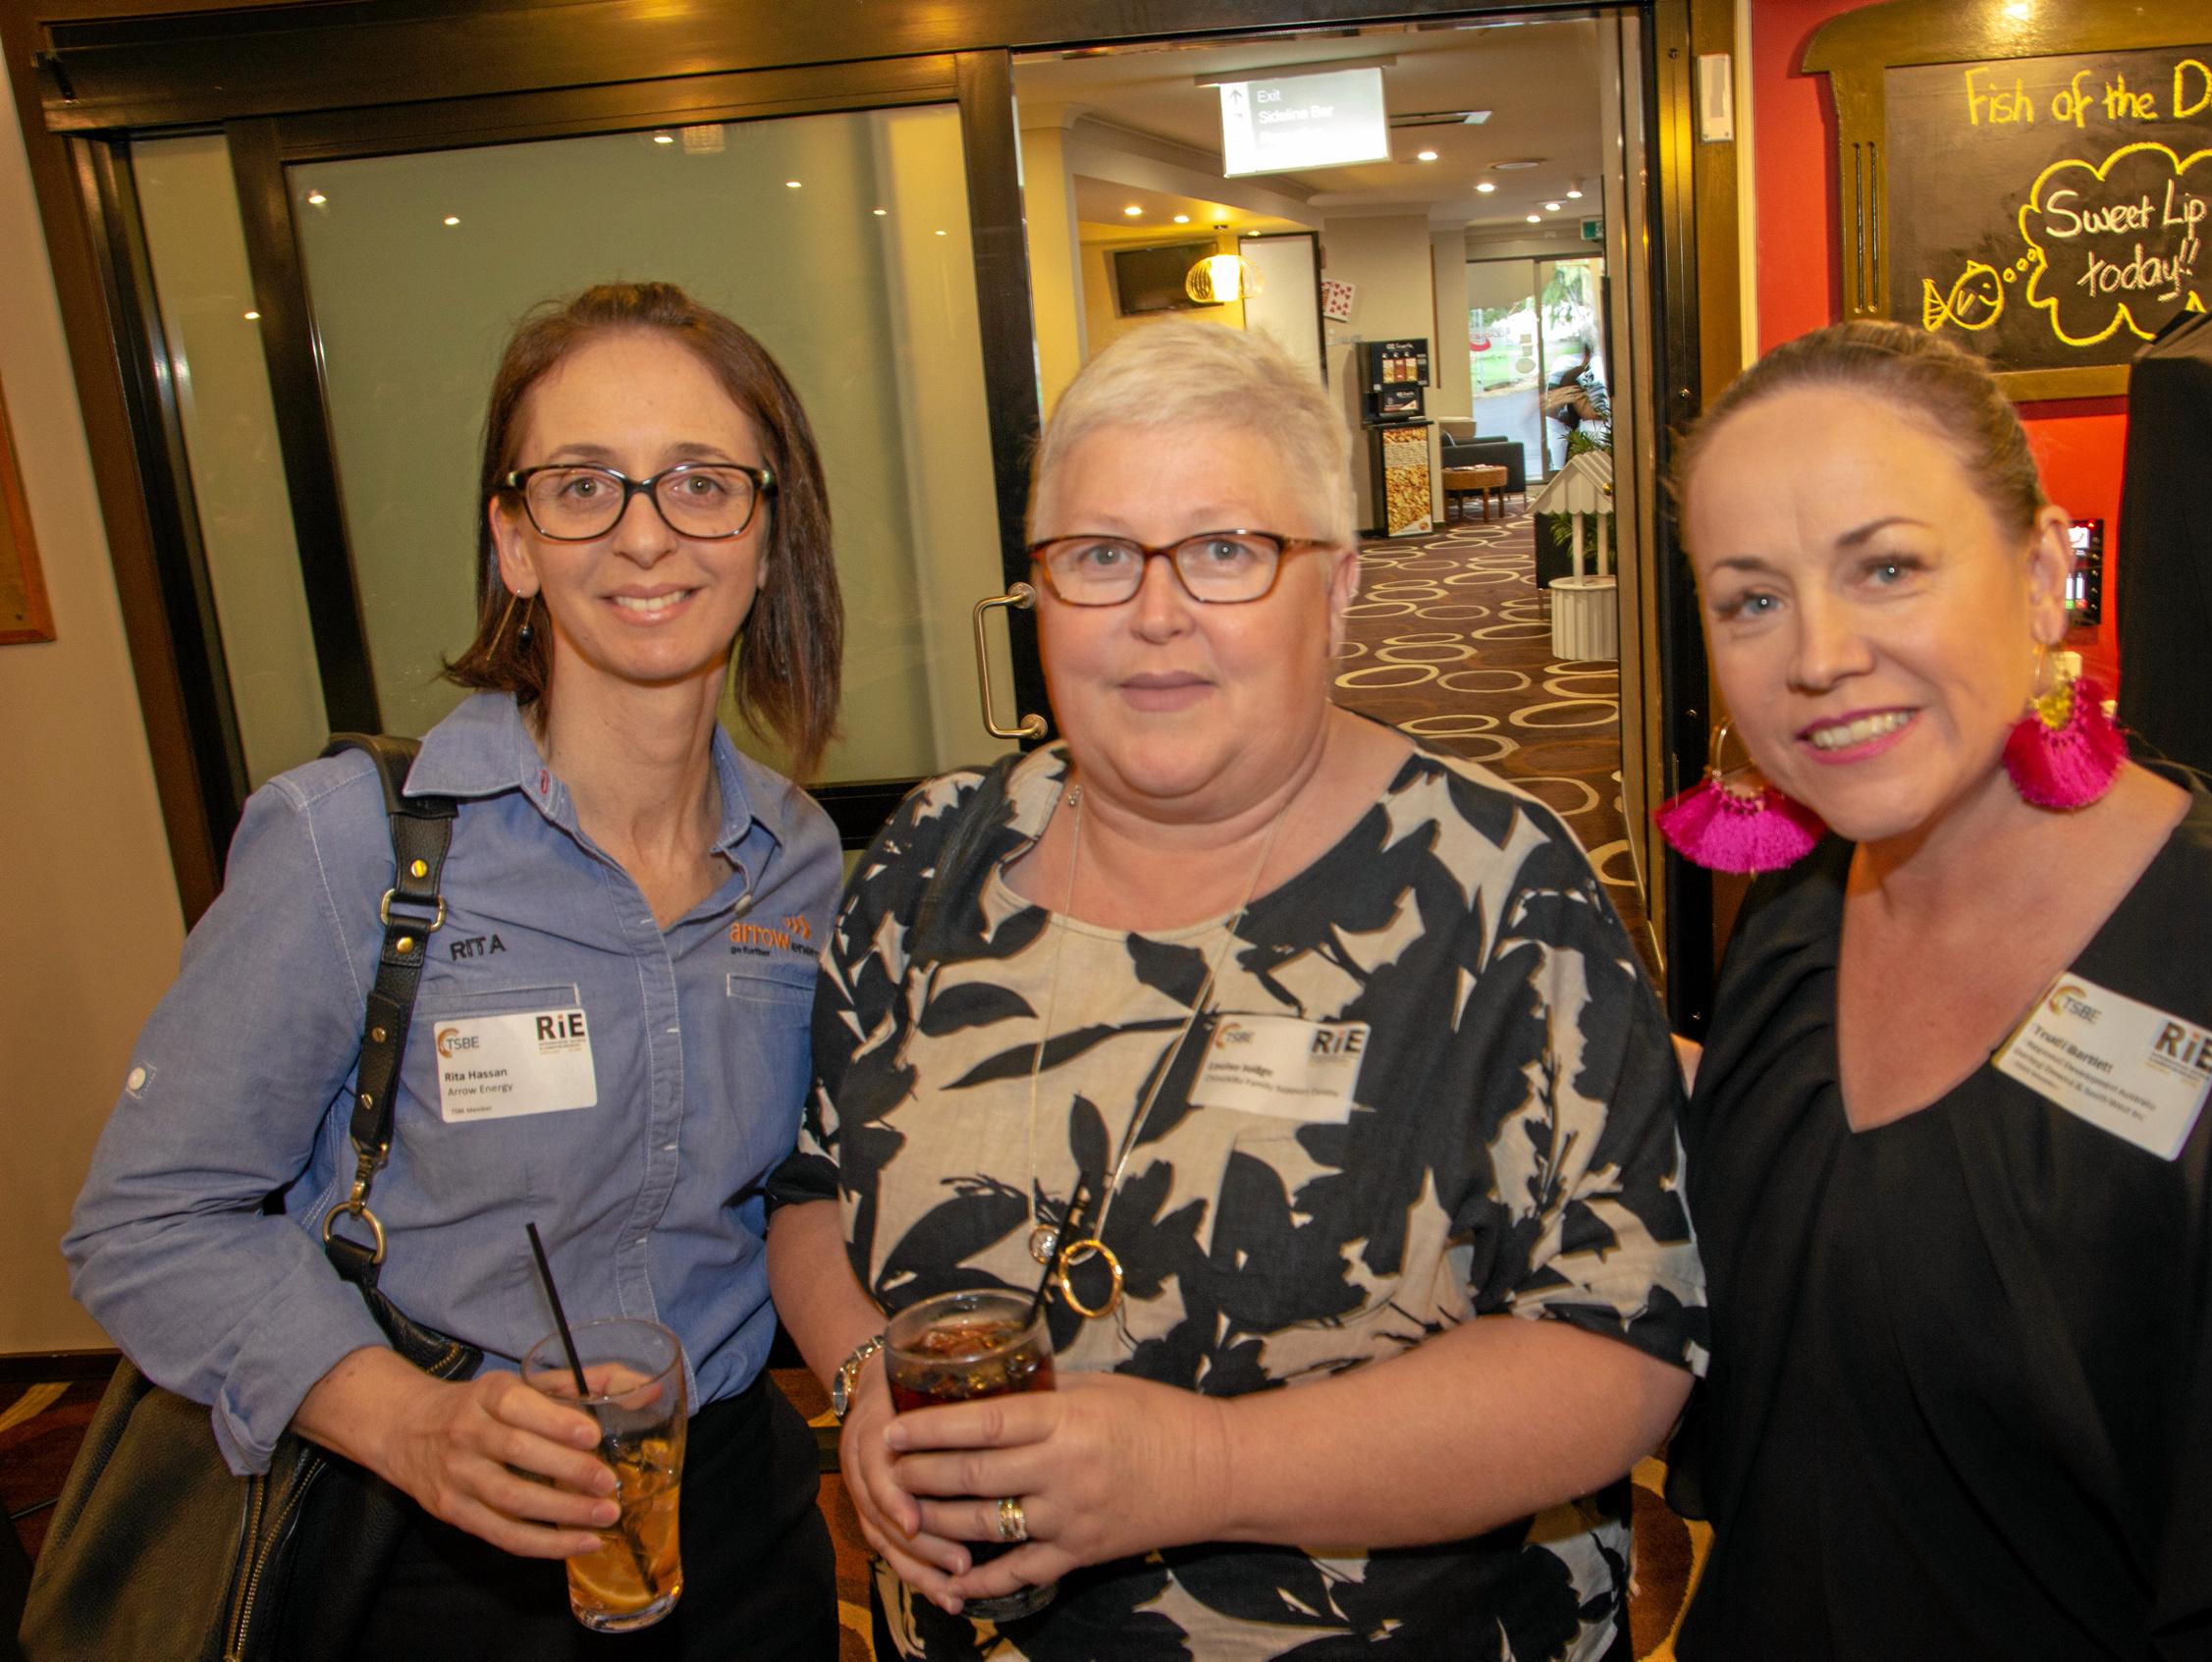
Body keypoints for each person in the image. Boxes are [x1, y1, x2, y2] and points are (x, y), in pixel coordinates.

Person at [765, 319, 1703, 1660]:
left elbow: (1621, 1354)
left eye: (1223, 550)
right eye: (1098, 556)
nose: (1156, 614)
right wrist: (862, 1372)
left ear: (1336, 587)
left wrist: (1201, 1465)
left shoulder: (1502, 891)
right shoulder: (930, 854)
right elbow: (809, 1189)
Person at [1659, 318, 2212, 1660]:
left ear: (2042, 571)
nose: (1815, 655)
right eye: (1750, 597)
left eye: (1885, 567)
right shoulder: (1795, 916)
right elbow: (1850, 1211)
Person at [65, 282, 846, 1657]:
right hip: (430, 1542)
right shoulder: (348, 842)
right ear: (514, 541)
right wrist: (406, 1421)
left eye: (702, 483)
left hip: (734, 1515)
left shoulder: (796, 861)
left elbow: (802, 1192)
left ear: (767, 535)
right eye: (584, 484)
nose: (646, 530)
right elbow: (146, 1221)